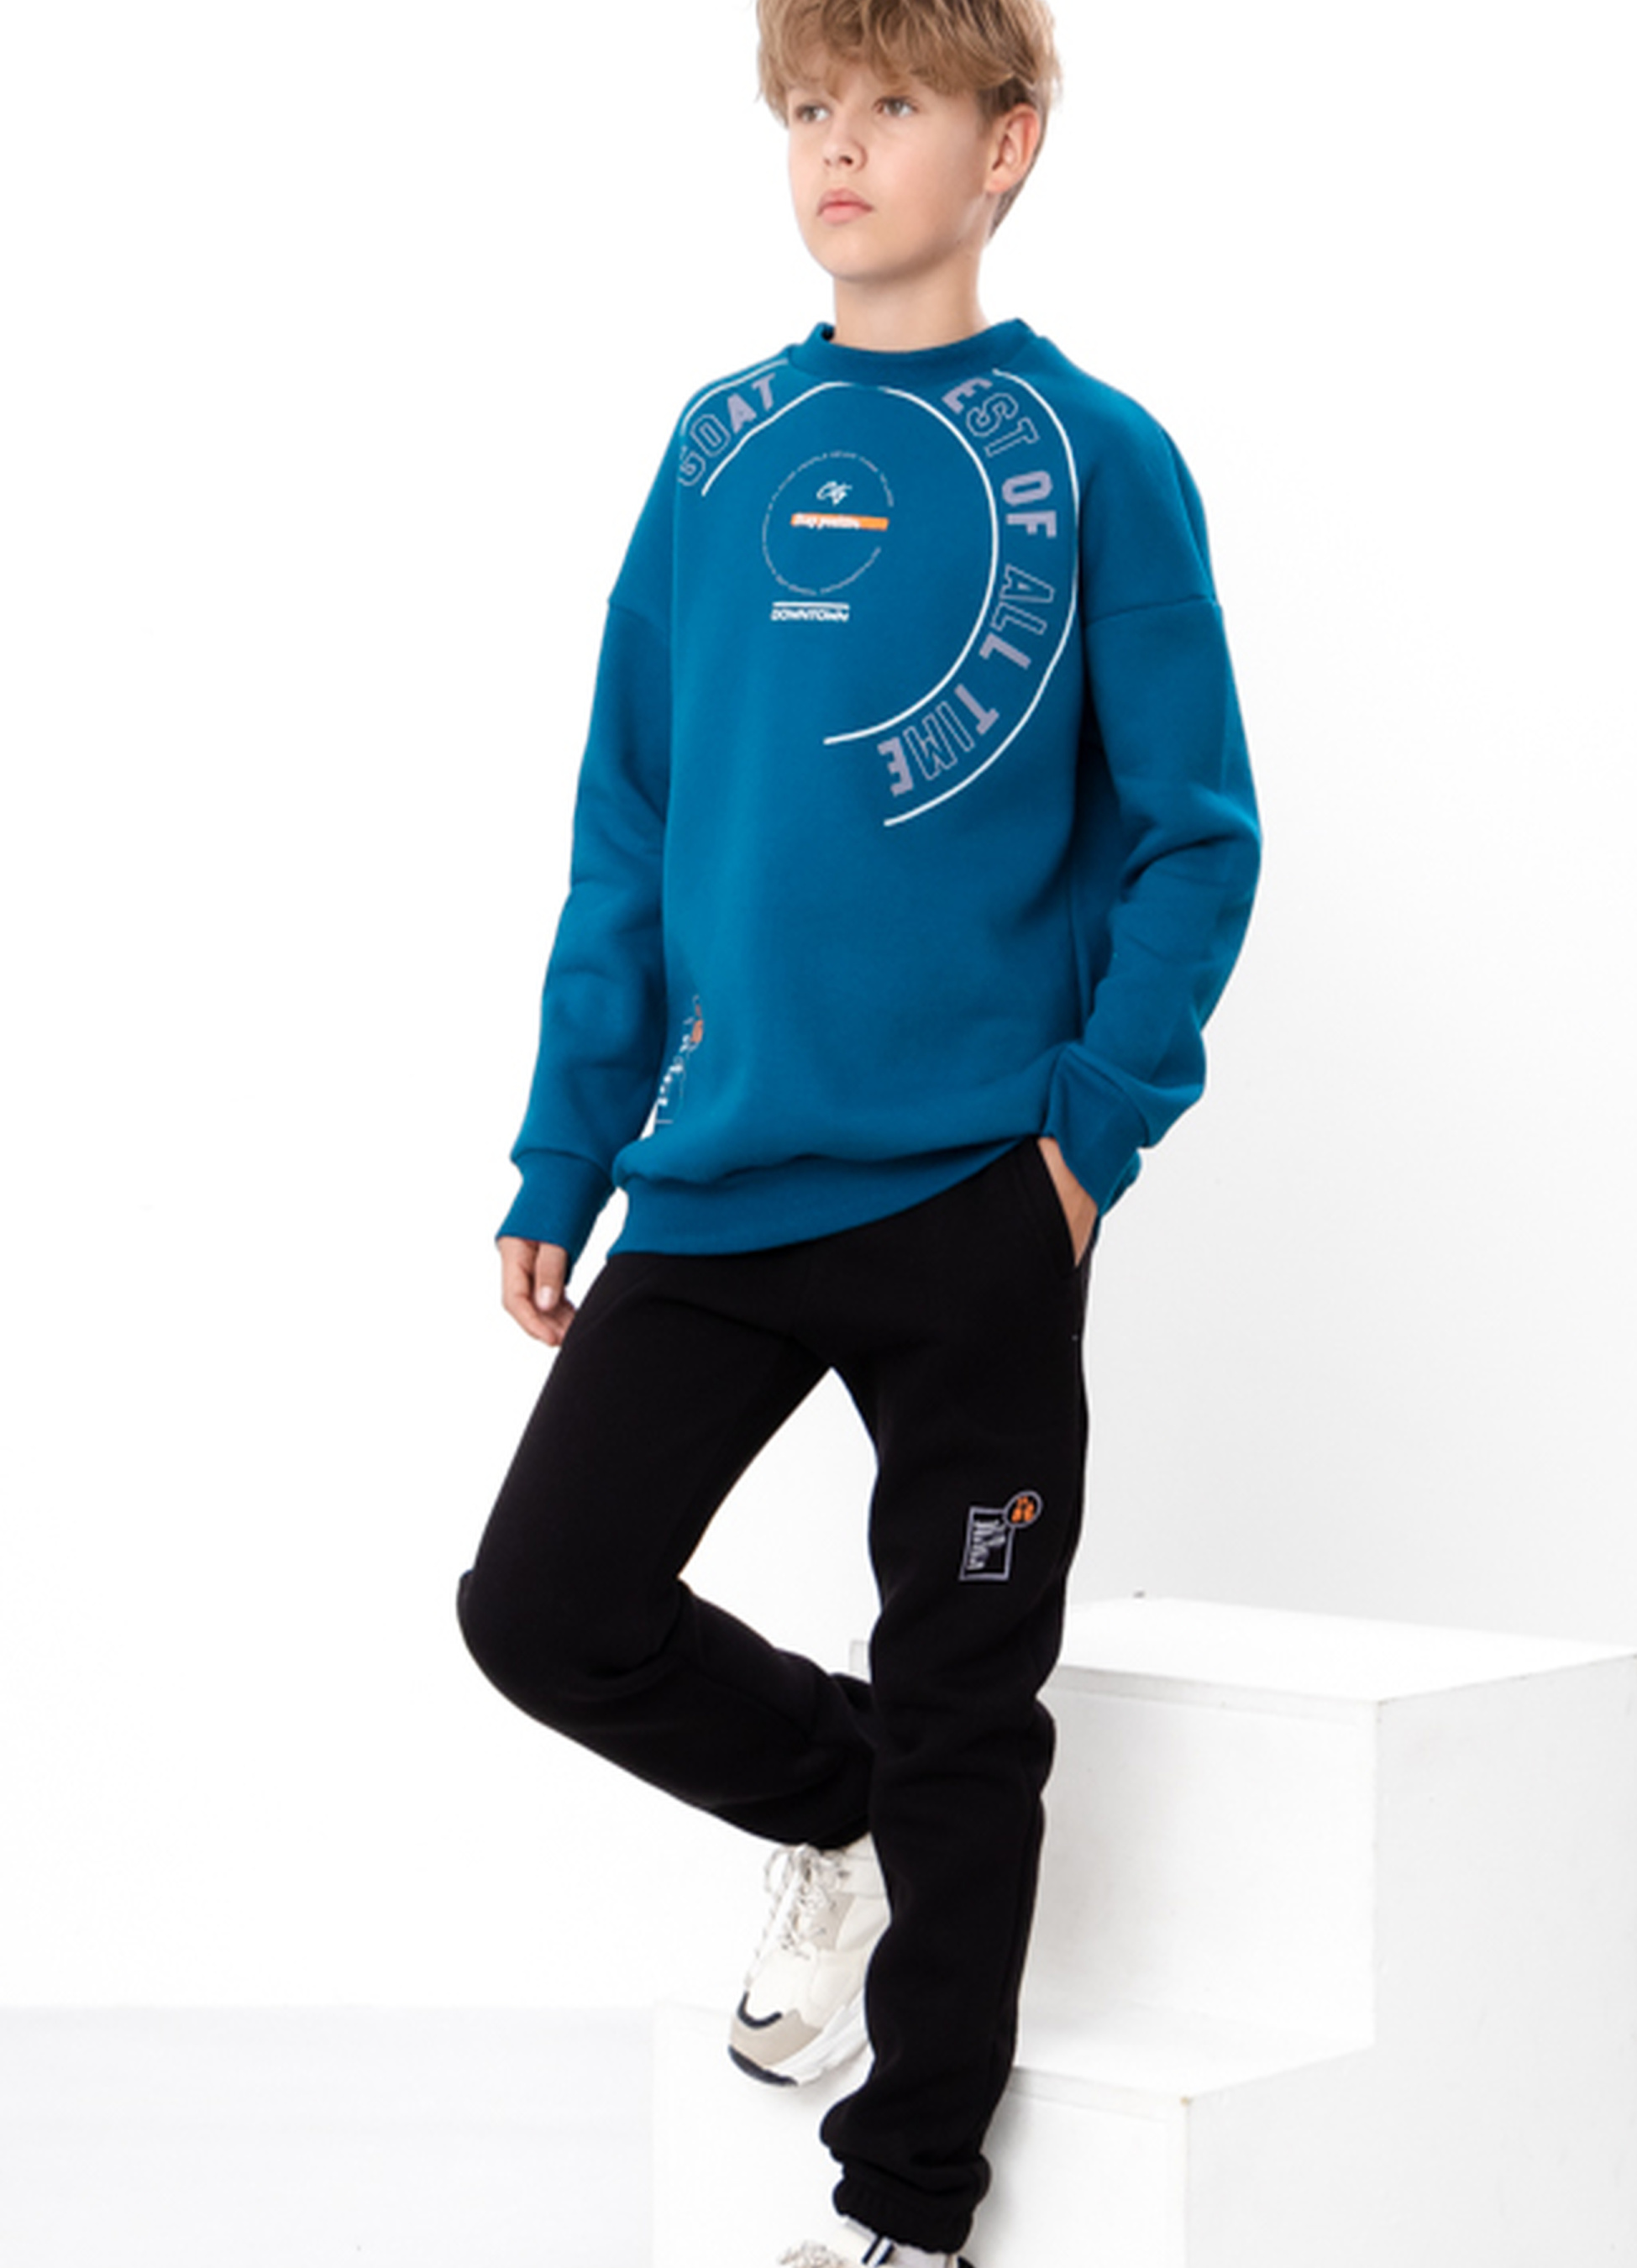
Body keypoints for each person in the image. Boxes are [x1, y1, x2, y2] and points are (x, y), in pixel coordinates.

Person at [457, 0, 1259, 2260]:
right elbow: (632, 823)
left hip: (975, 1199)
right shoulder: (718, 448)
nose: (836, 145)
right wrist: (565, 1145)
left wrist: (1086, 1138)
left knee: (966, 1704)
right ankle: (833, 1806)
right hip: (720, 1180)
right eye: (808, 106)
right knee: (545, 1608)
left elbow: (1195, 833)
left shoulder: (1097, 455)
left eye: (891, 104)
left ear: (1005, 146)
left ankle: (905, 2209)